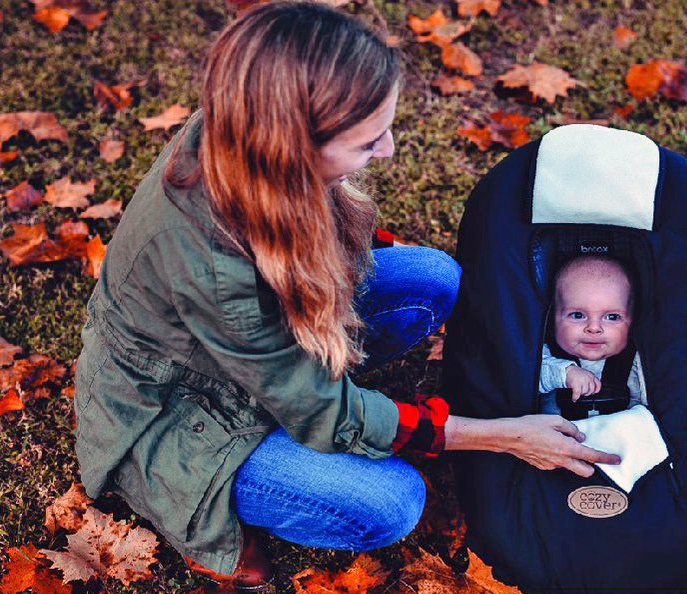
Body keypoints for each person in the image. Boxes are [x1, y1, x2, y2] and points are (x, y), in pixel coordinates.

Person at [72, 2, 620, 591]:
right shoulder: (213, 265)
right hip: (180, 410)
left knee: (432, 279)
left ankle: (338, 413)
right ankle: (193, 509)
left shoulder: (246, 125)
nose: (385, 151)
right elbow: (319, 412)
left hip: (250, 354)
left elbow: (311, 257)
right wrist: (500, 433)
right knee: (390, 504)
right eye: (366, 142)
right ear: (292, 149)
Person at [539, 255, 646, 416]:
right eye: (577, 315)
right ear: (552, 319)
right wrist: (566, 373)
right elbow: (535, 374)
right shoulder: (543, 354)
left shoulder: (640, 359)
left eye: (612, 317)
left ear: (632, 322)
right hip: (556, 437)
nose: (594, 328)